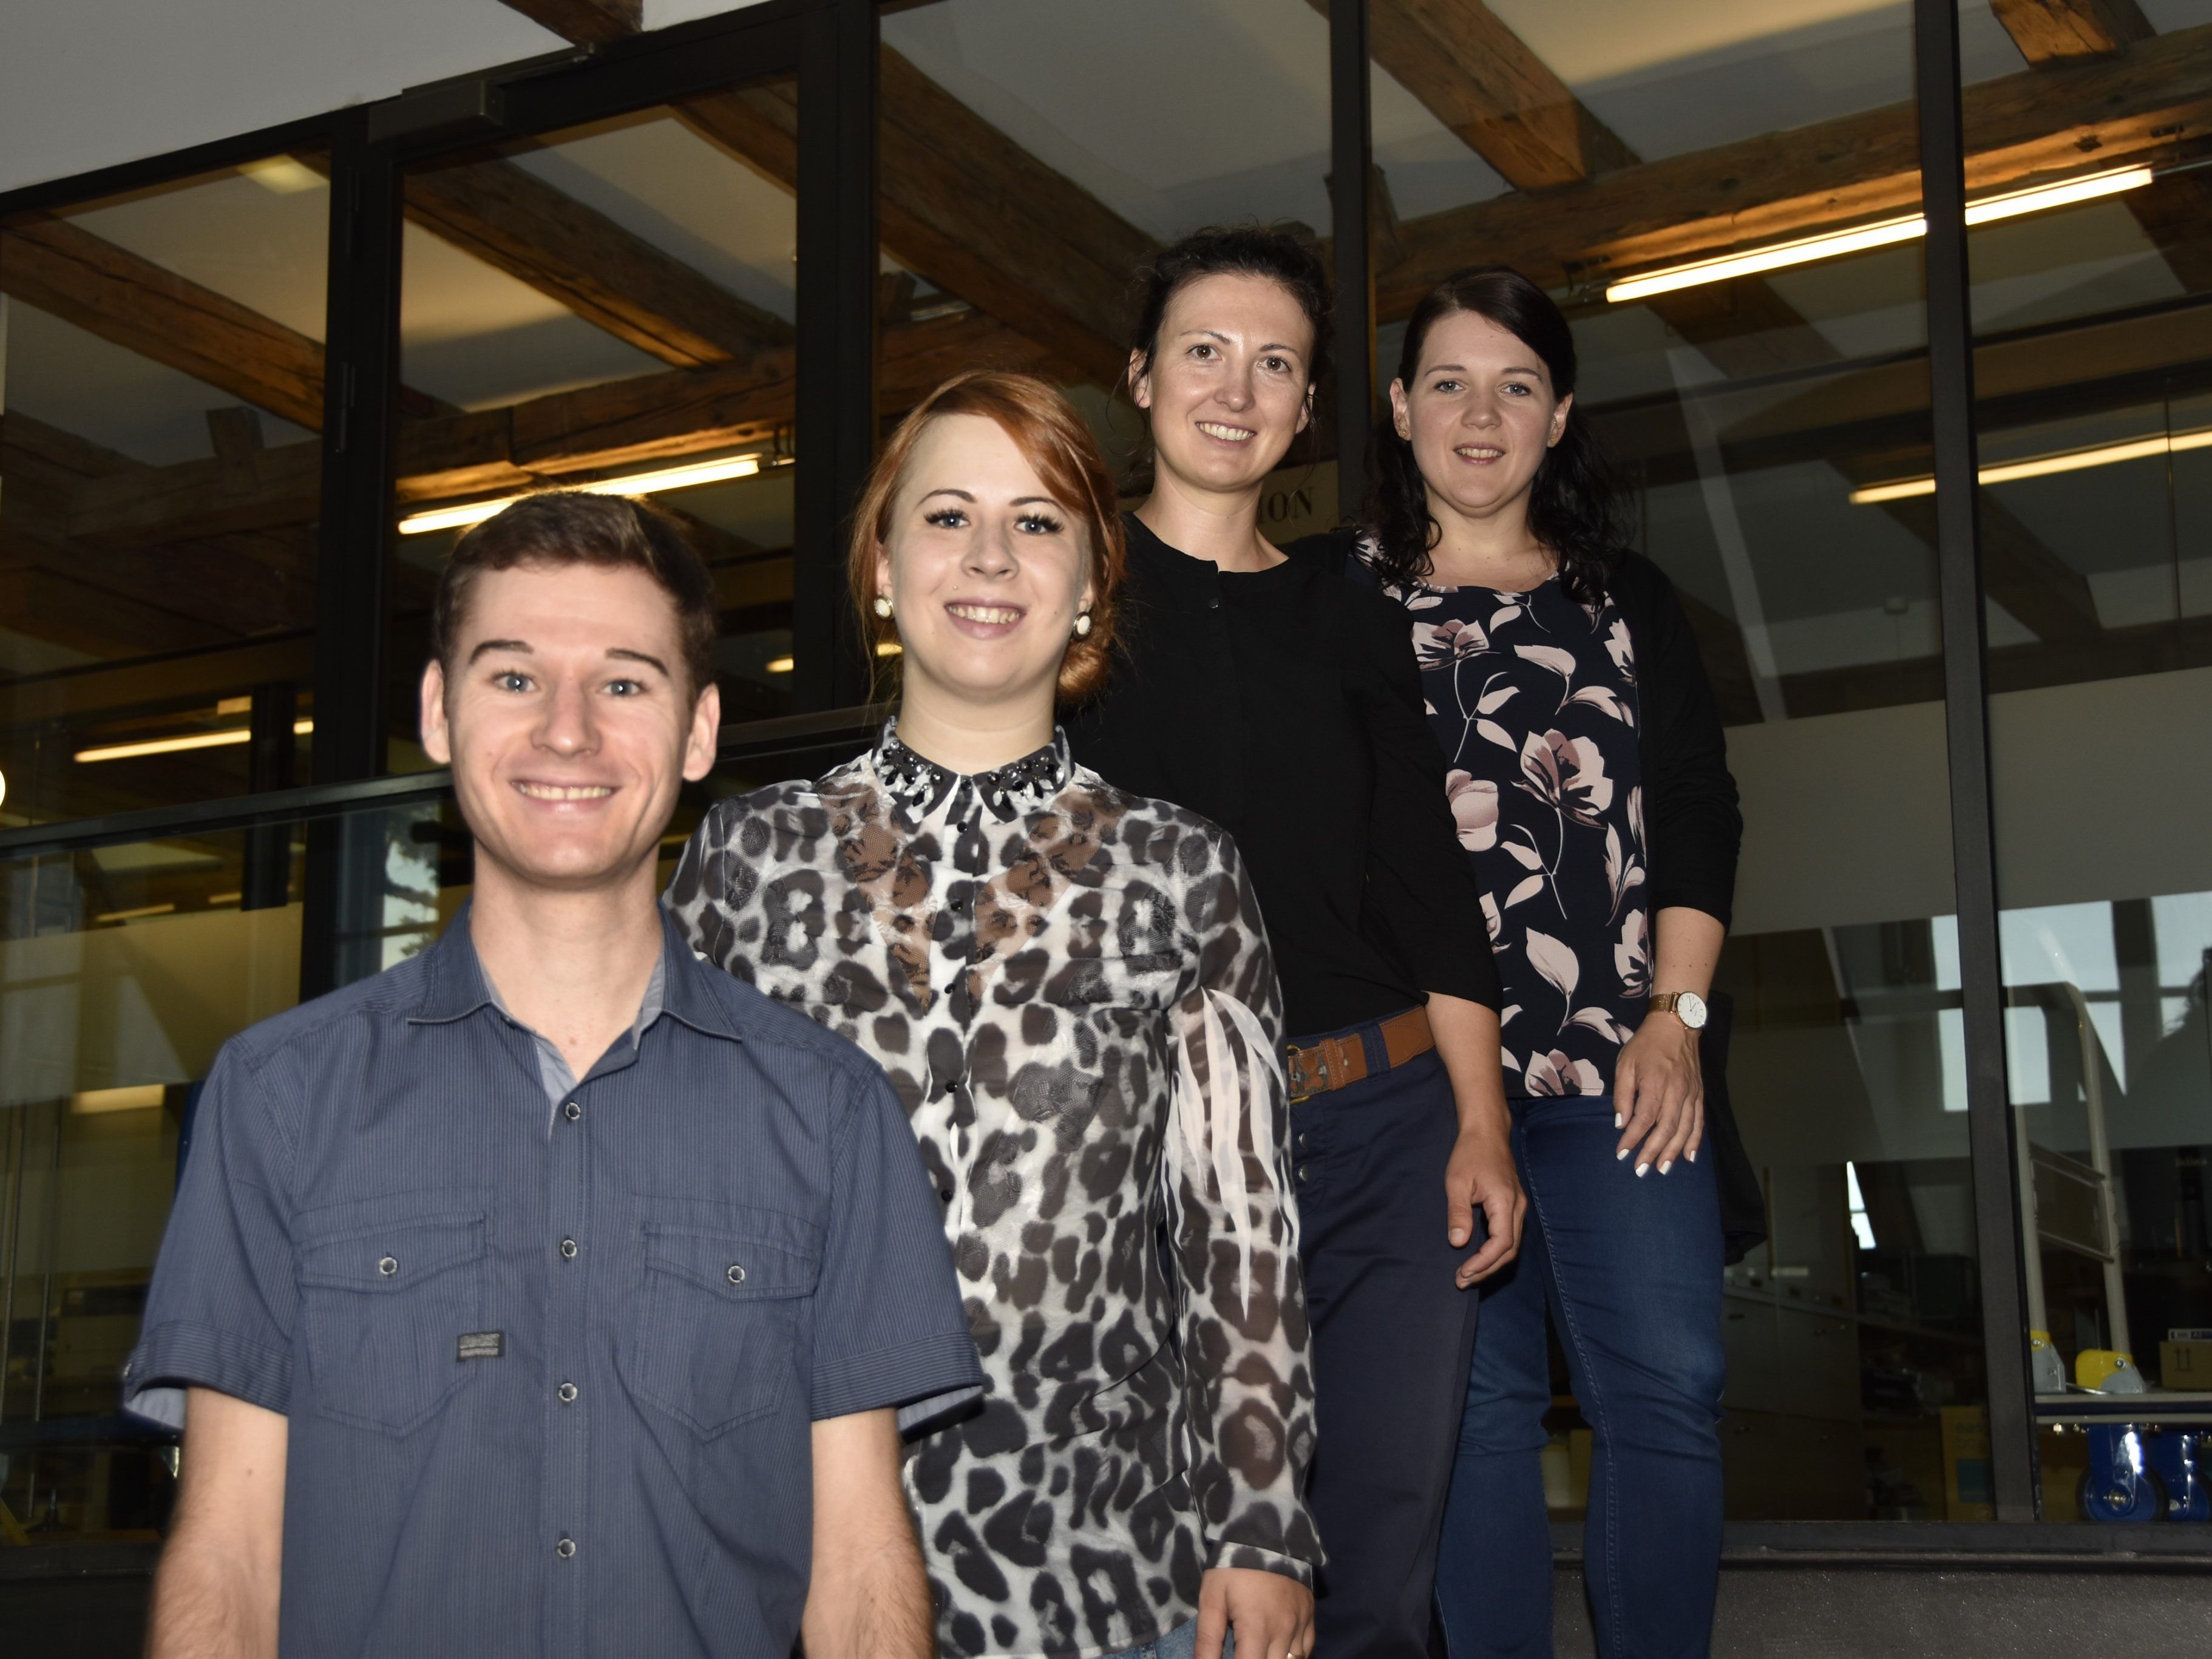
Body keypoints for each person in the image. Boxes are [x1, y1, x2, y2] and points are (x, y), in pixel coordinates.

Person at [123, 494, 982, 1659]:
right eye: (515, 678)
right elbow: (226, 1555)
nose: (567, 732)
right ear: (438, 709)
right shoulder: (277, 1097)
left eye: (624, 682)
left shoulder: (828, 1112)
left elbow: (860, 1562)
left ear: (699, 730)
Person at [668, 370, 1318, 1659]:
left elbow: (1242, 1232)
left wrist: (1264, 1521)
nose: (987, 556)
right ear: (880, 566)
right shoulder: (744, 857)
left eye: (1036, 522)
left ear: (1088, 582)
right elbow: (663, 1207)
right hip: (788, 1565)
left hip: (1113, 1568)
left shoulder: (1186, 870)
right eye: (946, 514)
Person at [1064, 226, 1525, 1659]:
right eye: (1202, 349)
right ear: (1139, 378)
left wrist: (1478, 1119)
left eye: (1275, 363)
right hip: (1150, 1144)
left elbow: (1425, 886)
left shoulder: (1351, 607)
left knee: (1379, 1584)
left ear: (1310, 406)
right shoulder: (1062, 597)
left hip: (1382, 1130)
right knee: (1184, 1580)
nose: (1235, 385)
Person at [1344, 266, 1742, 1659]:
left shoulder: (1625, 596)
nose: (1478, 412)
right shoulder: (1344, 605)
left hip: (1621, 1066)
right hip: (1424, 1090)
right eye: (1446, 381)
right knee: (1476, 1412)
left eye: (1516, 385)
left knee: (1669, 1389)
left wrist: (1673, 1015)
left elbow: (1693, 808)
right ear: (1399, 408)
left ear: (1558, 414)